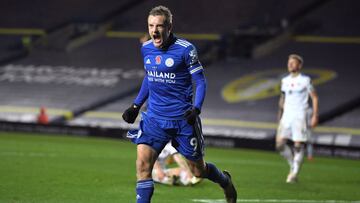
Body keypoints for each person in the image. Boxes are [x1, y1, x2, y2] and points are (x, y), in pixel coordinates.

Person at [122, 5, 237, 203]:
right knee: (142, 167)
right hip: (154, 119)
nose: (154, 30)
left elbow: (200, 80)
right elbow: (150, 78)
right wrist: (136, 105)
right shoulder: (146, 48)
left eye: (159, 26)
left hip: (183, 121)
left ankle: (225, 181)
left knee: (198, 171)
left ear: (169, 26)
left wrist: (196, 109)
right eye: (151, 26)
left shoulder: (185, 50)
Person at [276, 54, 319, 183]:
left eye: (293, 63)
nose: (290, 64)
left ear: (299, 65)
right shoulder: (285, 81)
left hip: (299, 115)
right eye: (289, 62)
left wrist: (315, 115)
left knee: (298, 145)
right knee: (279, 144)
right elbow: (283, 98)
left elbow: (315, 97)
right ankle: (293, 164)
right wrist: (280, 113)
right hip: (286, 116)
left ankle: (294, 174)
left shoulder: (306, 80)